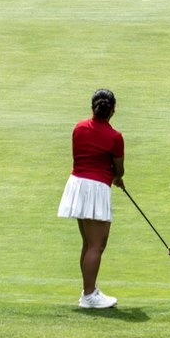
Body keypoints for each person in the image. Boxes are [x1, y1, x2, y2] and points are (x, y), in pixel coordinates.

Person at [58, 89, 125, 309]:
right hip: (96, 189)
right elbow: (119, 169)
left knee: (88, 243)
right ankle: (89, 296)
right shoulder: (115, 137)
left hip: (77, 185)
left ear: (93, 107)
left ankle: (89, 292)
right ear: (112, 110)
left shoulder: (79, 128)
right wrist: (116, 177)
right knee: (97, 245)